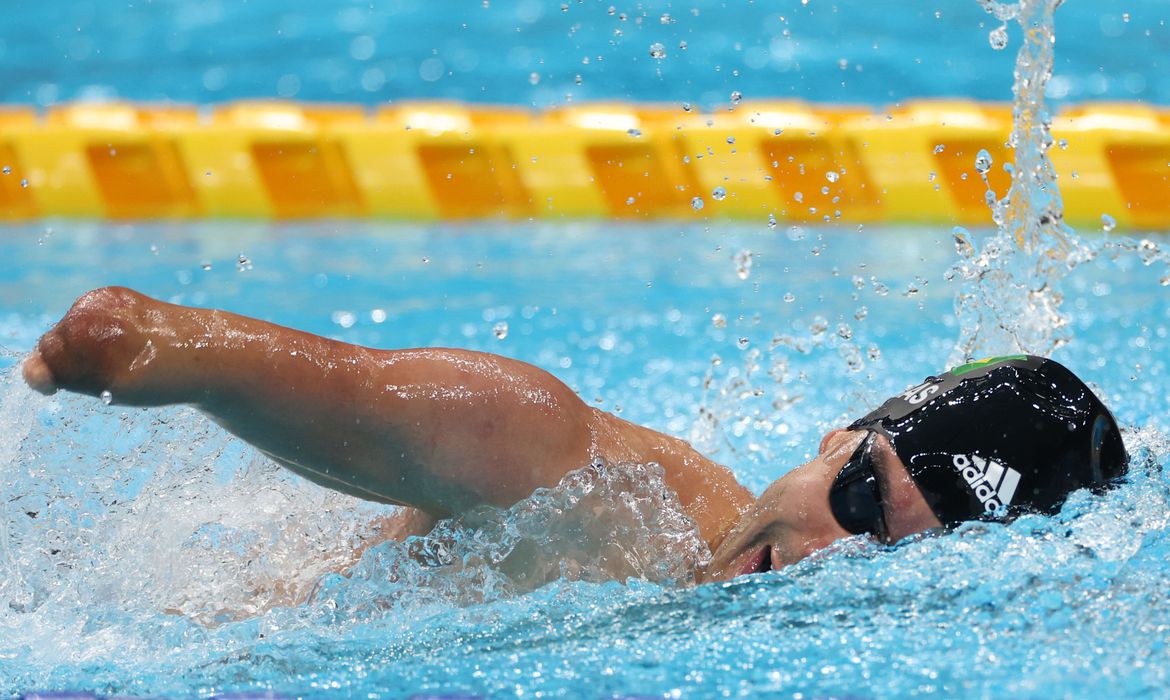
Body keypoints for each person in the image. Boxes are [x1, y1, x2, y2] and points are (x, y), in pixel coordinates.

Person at [21, 287, 1129, 582]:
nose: (829, 559)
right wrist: (153, 343)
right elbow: (355, 397)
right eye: (858, 501)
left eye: (891, 565)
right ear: (841, 435)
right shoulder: (570, 476)